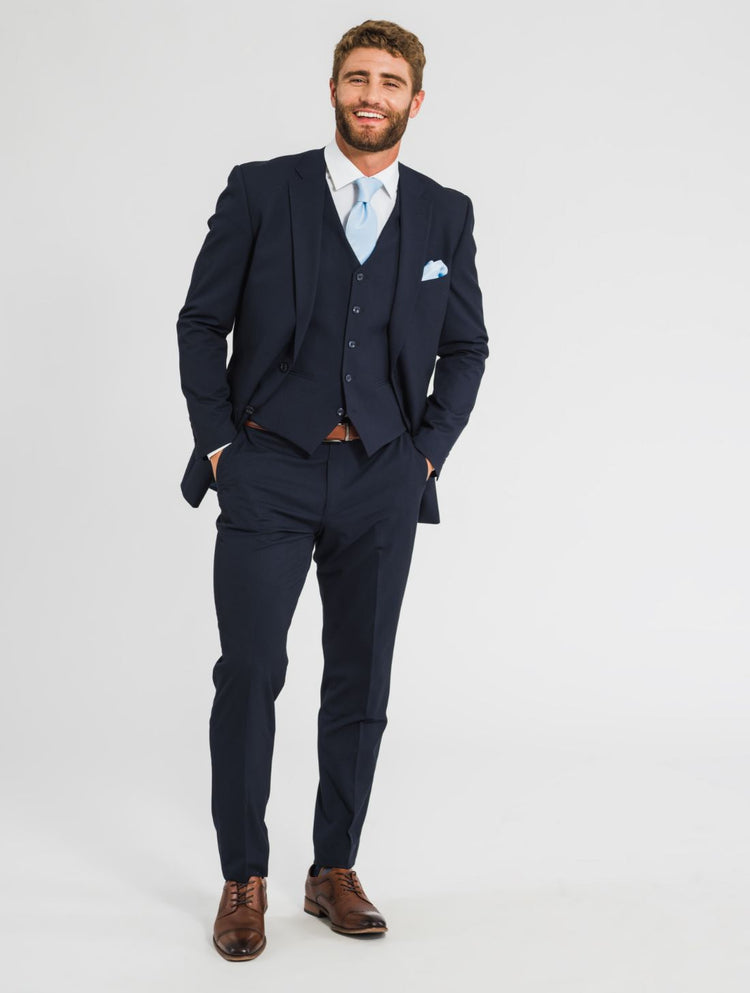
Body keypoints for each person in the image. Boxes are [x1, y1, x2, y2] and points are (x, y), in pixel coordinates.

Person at [175, 18, 489, 961]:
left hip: (381, 476)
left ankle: (333, 868)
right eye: (358, 76)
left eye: (391, 82)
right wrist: (222, 446)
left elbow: (466, 346)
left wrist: (424, 455)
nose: (372, 94)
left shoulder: (444, 212)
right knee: (252, 674)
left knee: (361, 682)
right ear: (333, 88)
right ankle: (245, 877)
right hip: (267, 466)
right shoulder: (263, 190)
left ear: (414, 101)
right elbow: (201, 322)